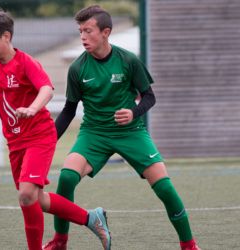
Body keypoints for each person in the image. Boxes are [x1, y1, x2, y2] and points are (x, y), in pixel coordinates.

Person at [43, 5, 200, 250]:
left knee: (165, 187)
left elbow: (149, 96)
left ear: (106, 32)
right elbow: (68, 110)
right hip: (94, 133)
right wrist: (46, 142)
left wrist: (134, 112)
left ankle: (189, 245)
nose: (83, 37)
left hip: (131, 133)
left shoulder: (128, 60)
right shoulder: (77, 69)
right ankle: (60, 241)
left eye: (88, 31)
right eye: (80, 31)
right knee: (66, 178)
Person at [0, 10, 111, 250]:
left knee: (26, 195)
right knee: (34, 199)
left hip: (40, 136)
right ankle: (91, 218)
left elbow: (47, 89)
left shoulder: (26, 62)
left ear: (6, 36)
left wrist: (32, 108)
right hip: (16, 143)